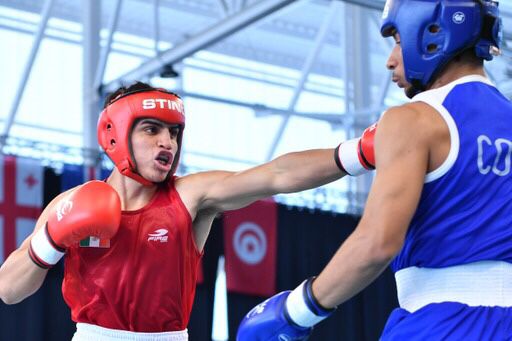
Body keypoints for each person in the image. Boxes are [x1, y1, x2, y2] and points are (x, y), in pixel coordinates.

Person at [0, 80, 377, 340]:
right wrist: (49, 240)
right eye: (152, 129)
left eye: (174, 132)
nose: (167, 142)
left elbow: (275, 175)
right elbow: (8, 289)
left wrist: (358, 153)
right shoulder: (71, 204)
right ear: (115, 133)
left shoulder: (190, 196)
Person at [237, 0, 512, 340]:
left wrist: (294, 312)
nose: (391, 60)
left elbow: (377, 243)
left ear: (433, 32)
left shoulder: (413, 120)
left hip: (439, 325)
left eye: (397, 40)